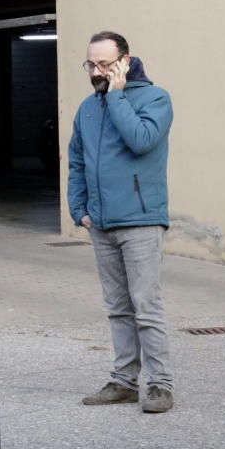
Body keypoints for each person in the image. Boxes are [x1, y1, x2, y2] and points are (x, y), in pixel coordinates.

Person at [67, 30, 175, 414]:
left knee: (146, 306)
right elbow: (77, 160)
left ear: (125, 62)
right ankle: (124, 382)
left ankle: (160, 385)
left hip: (141, 220)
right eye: (90, 65)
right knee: (117, 308)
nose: (96, 71)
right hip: (101, 223)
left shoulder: (156, 98)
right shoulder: (87, 108)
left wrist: (116, 95)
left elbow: (141, 139)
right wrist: (78, 208)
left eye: (105, 64)